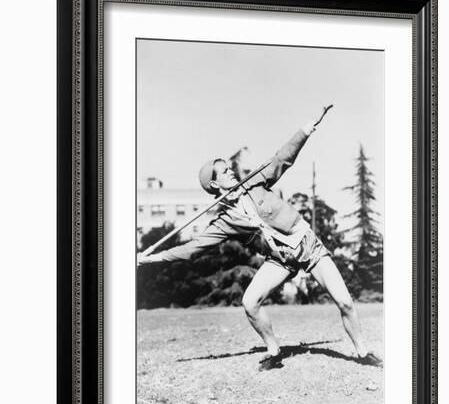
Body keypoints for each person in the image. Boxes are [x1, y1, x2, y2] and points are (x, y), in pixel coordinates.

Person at [138, 109, 383, 370]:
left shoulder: (254, 183)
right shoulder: (224, 222)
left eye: (229, 168)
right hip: (280, 260)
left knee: (344, 301)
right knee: (249, 302)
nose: (231, 172)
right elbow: (192, 249)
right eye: (224, 172)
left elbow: (282, 159)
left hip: (307, 245)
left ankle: (362, 352)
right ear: (214, 185)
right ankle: (273, 351)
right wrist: (151, 258)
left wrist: (304, 131)